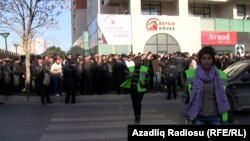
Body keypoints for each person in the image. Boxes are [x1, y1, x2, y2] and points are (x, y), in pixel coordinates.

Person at [183, 46, 231, 125]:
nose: (206, 61)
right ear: (200, 60)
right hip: (198, 116)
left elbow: (225, 97)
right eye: (204, 58)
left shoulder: (221, 75)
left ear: (213, 60)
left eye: (209, 58)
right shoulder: (192, 75)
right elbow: (187, 97)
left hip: (215, 117)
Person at [120, 56, 149, 123]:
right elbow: (127, 78)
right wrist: (129, 76)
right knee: (134, 103)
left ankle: (138, 114)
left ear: (141, 61)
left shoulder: (144, 69)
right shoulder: (131, 68)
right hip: (133, 88)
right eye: (136, 60)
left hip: (141, 89)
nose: (137, 61)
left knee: (138, 102)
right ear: (134, 61)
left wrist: (144, 80)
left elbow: (146, 78)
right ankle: (136, 115)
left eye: (139, 60)